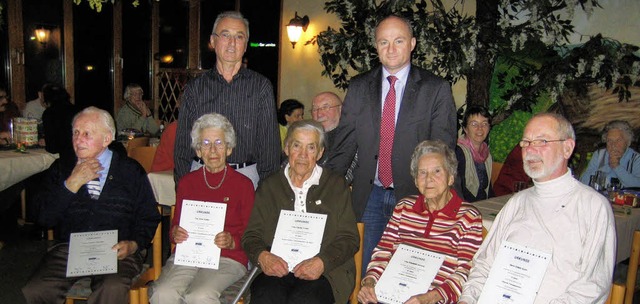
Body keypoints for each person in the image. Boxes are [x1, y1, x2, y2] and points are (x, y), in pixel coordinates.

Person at [324, 15, 457, 276]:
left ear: (412, 44)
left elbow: (443, 151)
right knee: (368, 274)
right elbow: (343, 148)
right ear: (376, 46)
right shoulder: (359, 86)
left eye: (399, 41)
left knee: (407, 276)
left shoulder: (435, 89)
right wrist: (324, 188)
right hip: (370, 195)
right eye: (384, 42)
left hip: (417, 197)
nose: (391, 49)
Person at [459, 113, 616, 304]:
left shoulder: (592, 206)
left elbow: (592, 285)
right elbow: (484, 264)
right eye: (526, 142)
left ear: (567, 148)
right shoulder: (517, 202)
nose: (530, 150)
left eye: (542, 141)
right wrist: (467, 299)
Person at [22, 107, 161, 304]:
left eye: (87, 133)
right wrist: (71, 185)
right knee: (35, 289)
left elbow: (148, 216)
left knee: (111, 288)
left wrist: (134, 244)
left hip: (117, 250)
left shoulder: (129, 171)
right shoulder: (61, 169)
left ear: (107, 139)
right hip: (69, 249)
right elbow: (43, 218)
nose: (78, 139)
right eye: (76, 133)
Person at [241, 120, 359, 304]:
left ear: (320, 153)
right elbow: (251, 235)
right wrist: (263, 256)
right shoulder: (269, 186)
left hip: (326, 270)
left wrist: (322, 262)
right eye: (297, 145)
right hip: (277, 267)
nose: (303, 155)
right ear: (287, 148)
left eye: (311, 148)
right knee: (266, 296)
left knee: (305, 300)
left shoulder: (336, 185)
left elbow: (349, 238)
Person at [358, 140, 482, 304]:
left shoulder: (468, 216)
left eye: (437, 171)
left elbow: (466, 271)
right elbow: (383, 251)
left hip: (434, 299)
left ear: (451, 177)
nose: (429, 179)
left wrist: (430, 297)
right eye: (422, 173)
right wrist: (369, 282)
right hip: (391, 294)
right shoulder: (404, 207)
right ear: (416, 181)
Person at [150, 113, 254, 303]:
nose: (213, 150)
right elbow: (175, 226)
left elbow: (250, 233)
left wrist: (232, 241)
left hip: (228, 258)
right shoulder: (187, 182)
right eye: (205, 143)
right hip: (188, 255)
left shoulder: (243, 185)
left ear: (229, 149)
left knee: (199, 296)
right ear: (198, 151)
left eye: (219, 143)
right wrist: (175, 233)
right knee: (162, 293)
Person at [175, 11, 280, 189]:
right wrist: (183, 187)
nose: (232, 43)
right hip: (202, 174)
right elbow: (183, 146)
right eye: (225, 35)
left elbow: (269, 149)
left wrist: (266, 196)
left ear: (245, 45)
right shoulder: (195, 88)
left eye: (239, 37)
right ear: (213, 41)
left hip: (246, 177)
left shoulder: (261, 87)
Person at [580, 120, 640, 188]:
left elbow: (637, 184)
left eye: (618, 140)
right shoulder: (599, 155)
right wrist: (606, 167)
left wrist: (617, 167)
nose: (613, 145)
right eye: (609, 140)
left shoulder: (636, 159)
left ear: (628, 142)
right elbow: (583, 181)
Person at [455, 105, 494, 202]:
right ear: (465, 128)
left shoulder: (486, 153)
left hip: (483, 204)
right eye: (474, 124)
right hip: (466, 206)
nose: (480, 128)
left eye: (484, 124)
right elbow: (459, 191)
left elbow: (488, 189)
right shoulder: (458, 152)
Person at [41, 84, 81, 165]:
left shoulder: (49, 113)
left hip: (67, 159)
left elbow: (52, 148)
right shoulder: (77, 111)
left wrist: (46, 142)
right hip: (82, 154)